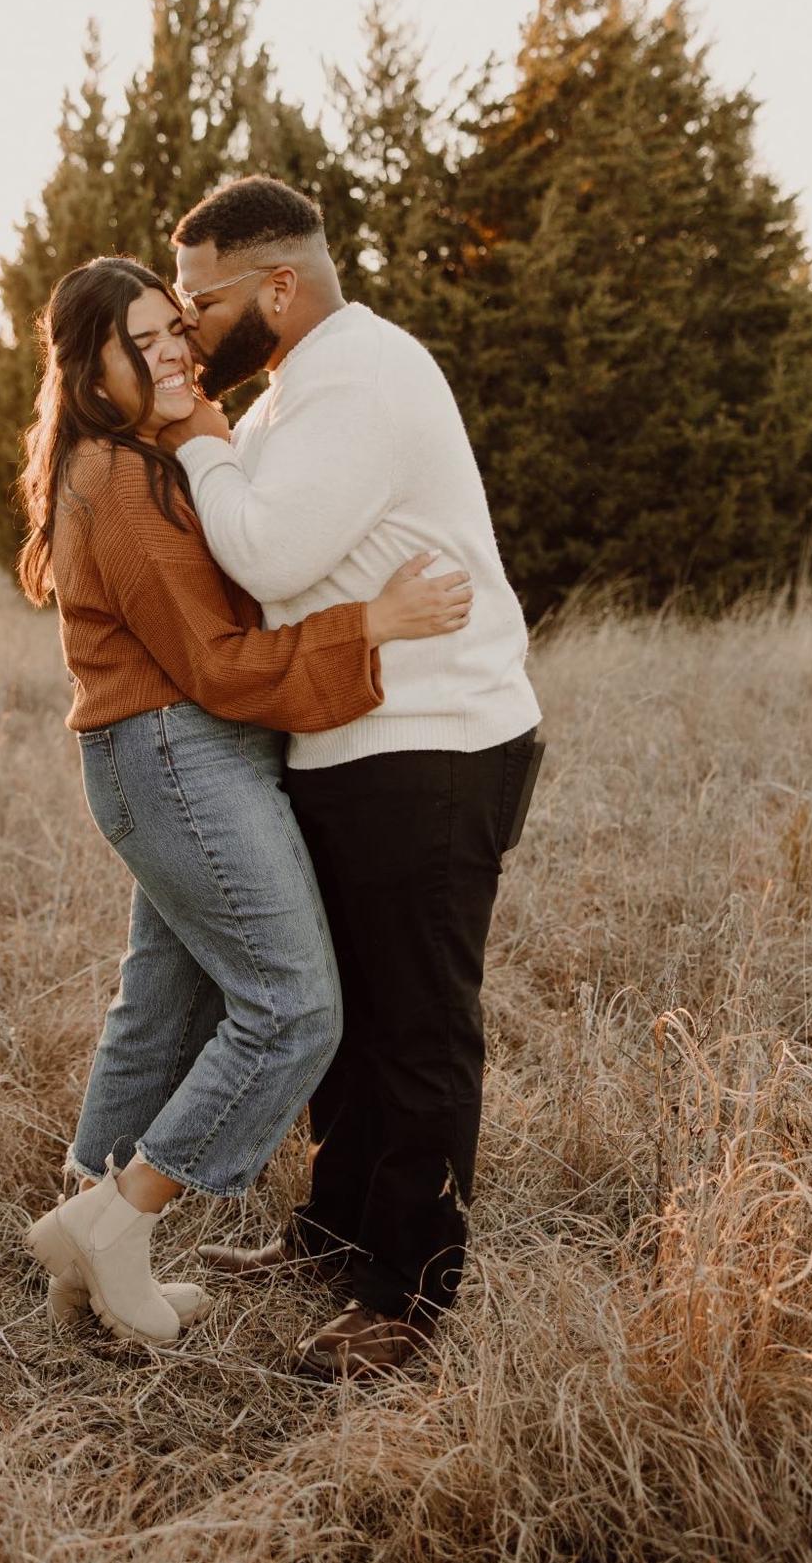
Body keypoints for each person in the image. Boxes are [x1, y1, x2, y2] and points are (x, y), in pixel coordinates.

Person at [17, 256, 474, 1347]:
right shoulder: (116, 481)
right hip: (179, 755)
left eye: (174, 329)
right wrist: (369, 623)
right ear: (89, 368)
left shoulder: (131, 457)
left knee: (162, 1006)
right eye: (141, 343)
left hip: (169, 756)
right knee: (293, 1008)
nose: (172, 352)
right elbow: (218, 662)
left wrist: (199, 429)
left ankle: (82, 1262)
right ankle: (113, 1224)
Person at [161, 176, 543, 1380]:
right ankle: (333, 1234)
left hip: (434, 746)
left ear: (278, 285)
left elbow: (267, 551)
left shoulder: (361, 377)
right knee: (349, 1021)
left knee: (417, 1028)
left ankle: (407, 1295)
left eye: (199, 300)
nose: (185, 326)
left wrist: (192, 430)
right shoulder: (293, 389)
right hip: (349, 742)